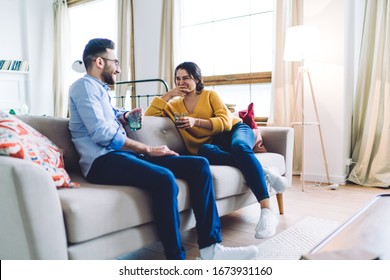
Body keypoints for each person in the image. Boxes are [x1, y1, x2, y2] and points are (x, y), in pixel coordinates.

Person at [68, 39, 259, 260]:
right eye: (116, 62)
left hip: (120, 155)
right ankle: (175, 259)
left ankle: (211, 248)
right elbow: (101, 133)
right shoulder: (83, 87)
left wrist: (124, 117)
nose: (118, 69)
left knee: (199, 165)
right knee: (165, 179)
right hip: (101, 162)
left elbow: (109, 119)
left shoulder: (100, 90)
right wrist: (148, 149)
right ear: (100, 62)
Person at [145, 61, 288, 239]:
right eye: (177, 79)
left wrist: (195, 121)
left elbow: (225, 121)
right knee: (204, 150)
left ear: (197, 79)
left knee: (239, 147)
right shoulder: (174, 106)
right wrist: (168, 95)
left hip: (236, 131)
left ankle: (267, 210)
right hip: (216, 143)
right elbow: (147, 117)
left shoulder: (209, 95)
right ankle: (264, 171)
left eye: (186, 78)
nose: (181, 82)